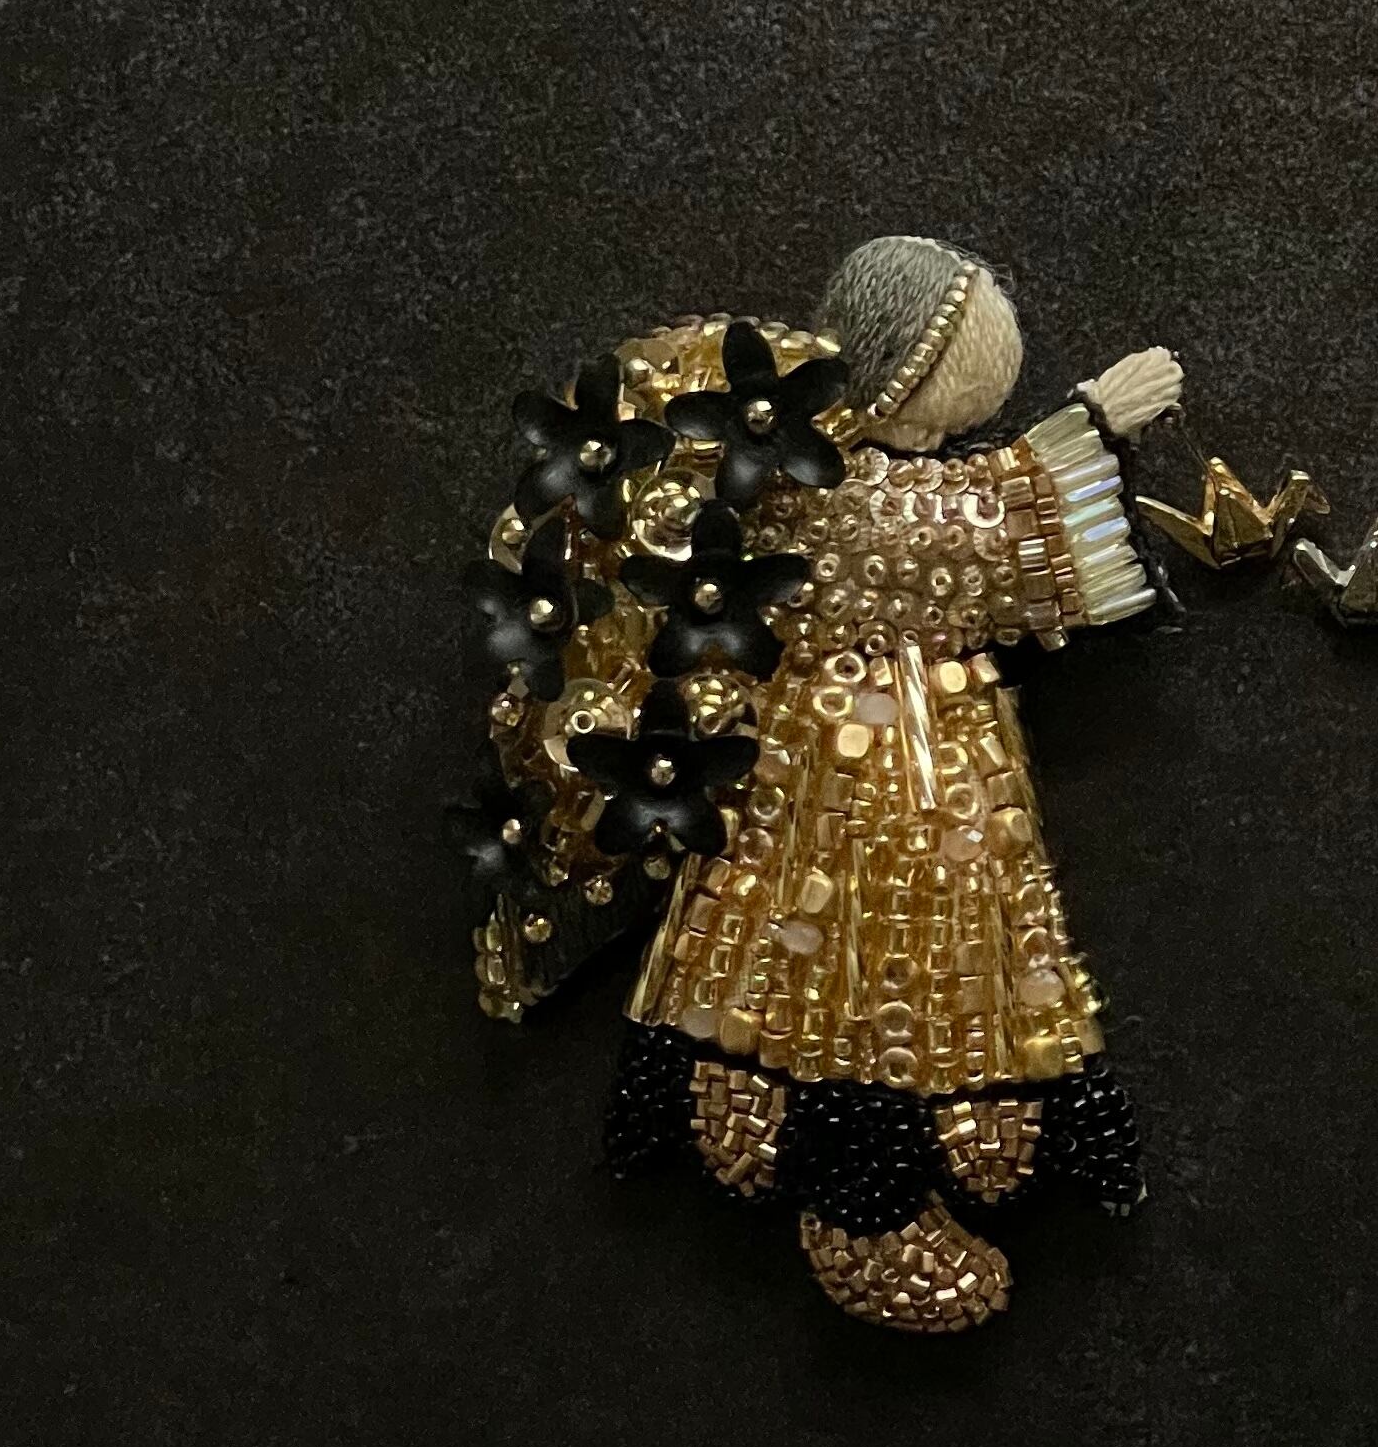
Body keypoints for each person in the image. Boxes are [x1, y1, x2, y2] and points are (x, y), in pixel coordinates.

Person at [455, 232, 1182, 1331]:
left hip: (921, 765)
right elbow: (967, 541)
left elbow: (966, 515)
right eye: (966, 369)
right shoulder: (826, 490)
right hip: (856, 784)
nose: (975, 405)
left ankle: (894, 1181)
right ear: (908, 367)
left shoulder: (834, 478)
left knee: (921, 951)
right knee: (860, 958)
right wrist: (1091, 428)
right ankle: (864, 1212)